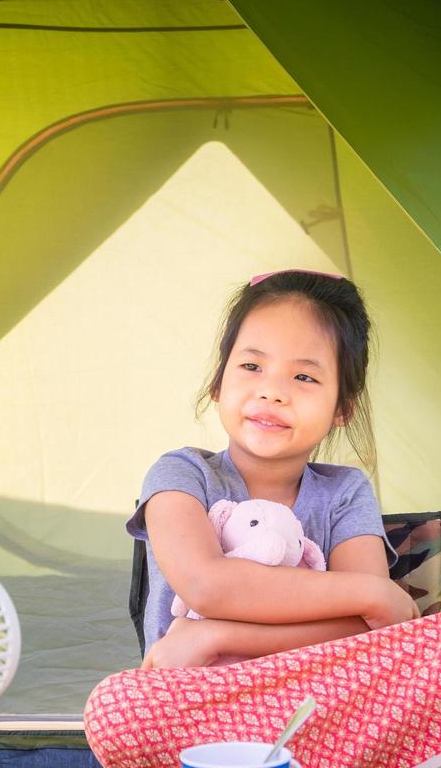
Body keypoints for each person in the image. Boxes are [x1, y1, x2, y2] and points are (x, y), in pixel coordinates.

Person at [127, 269, 420, 670]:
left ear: (342, 408)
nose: (272, 391)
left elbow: (364, 630)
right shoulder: (181, 474)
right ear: (218, 382)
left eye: (304, 376)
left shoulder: (345, 492)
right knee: (108, 705)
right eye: (251, 367)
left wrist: (217, 636)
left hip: (311, 707)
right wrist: (370, 593)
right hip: (189, 708)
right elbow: (206, 587)